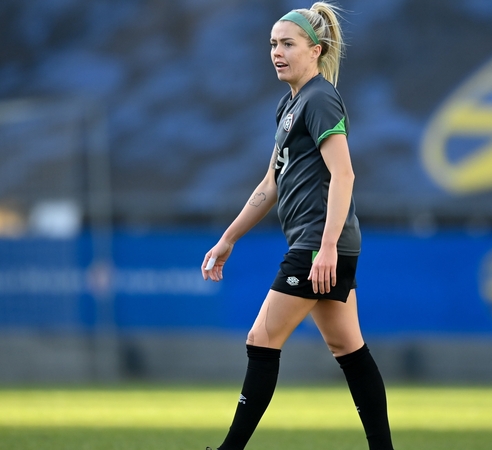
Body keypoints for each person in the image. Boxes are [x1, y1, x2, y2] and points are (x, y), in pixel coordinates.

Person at [200, 3, 394, 450]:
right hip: (324, 243)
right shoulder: (290, 105)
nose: (277, 52)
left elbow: (344, 175)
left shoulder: (321, 97)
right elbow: (269, 184)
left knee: (260, 338)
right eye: (272, 44)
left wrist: (325, 248)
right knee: (349, 349)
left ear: (316, 50)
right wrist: (229, 238)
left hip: (317, 244)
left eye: (288, 44)